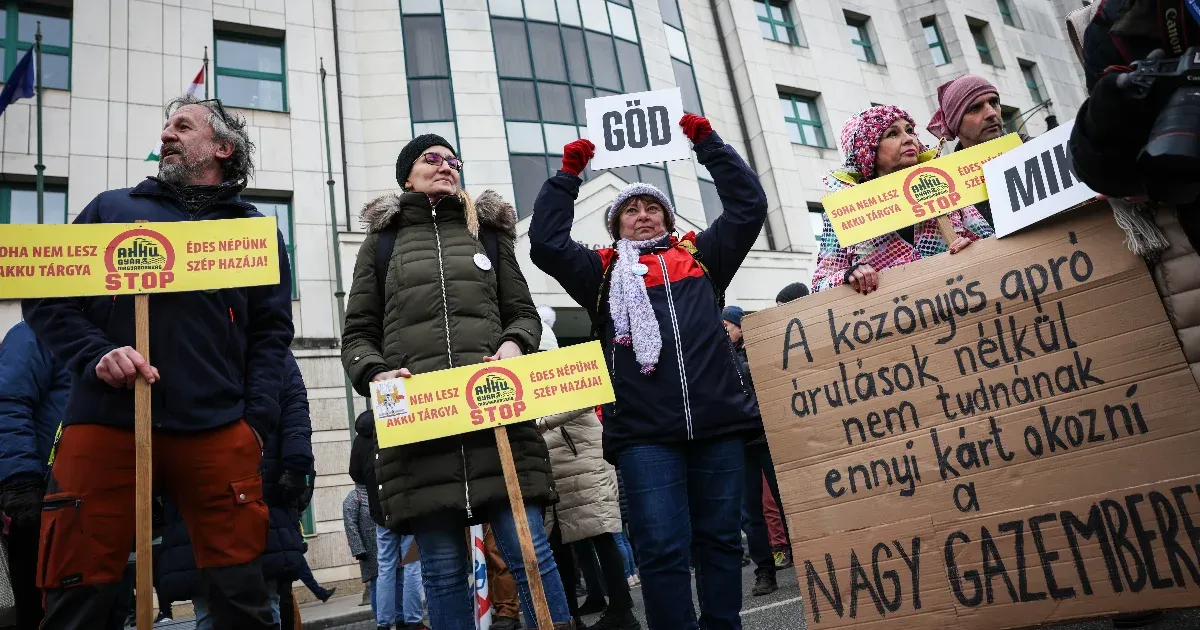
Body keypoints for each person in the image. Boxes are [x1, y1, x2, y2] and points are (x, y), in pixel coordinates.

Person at [21, 95, 292, 627]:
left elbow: (271, 334)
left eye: (182, 125)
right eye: (166, 125)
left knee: (240, 594)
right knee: (80, 589)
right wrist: (96, 353)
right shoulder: (111, 209)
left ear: (222, 147)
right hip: (106, 419)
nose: (166, 133)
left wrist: (254, 424)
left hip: (217, 428)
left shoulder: (253, 233)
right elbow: (45, 297)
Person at [529, 114, 768, 630]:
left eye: (652, 207)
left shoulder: (703, 258)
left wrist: (709, 145)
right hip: (644, 438)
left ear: (667, 217)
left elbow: (749, 207)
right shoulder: (600, 273)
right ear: (615, 225)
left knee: (721, 543)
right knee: (661, 549)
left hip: (720, 425)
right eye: (630, 210)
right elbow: (546, 243)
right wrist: (568, 175)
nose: (643, 215)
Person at [341, 135, 570, 629]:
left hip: (499, 423)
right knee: (443, 573)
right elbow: (358, 334)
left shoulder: (488, 235)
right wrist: (377, 372)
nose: (446, 167)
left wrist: (513, 345)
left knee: (533, 557)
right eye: (432, 159)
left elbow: (524, 315)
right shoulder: (382, 244)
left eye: (453, 161)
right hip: (422, 434)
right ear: (408, 175)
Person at [158, 351, 314, 628]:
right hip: (212, 481)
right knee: (215, 599)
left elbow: (293, 407)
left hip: (249, 481)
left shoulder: (261, 343)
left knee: (253, 598)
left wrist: (296, 465)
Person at [811, 105, 992, 295]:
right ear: (868, 152)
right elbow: (818, 287)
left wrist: (974, 248)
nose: (909, 139)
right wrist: (849, 275)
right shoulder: (844, 213)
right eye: (892, 134)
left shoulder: (944, 185)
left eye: (910, 130)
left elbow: (994, 243)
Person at [535, 309, 640, 630]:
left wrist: (536, 421)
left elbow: (582, 400)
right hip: (564, 465)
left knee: (599, 534)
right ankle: (587, 603)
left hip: (582, 462)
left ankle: (622, 610)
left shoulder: (567, 370)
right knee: (567, 541)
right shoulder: (537, 376)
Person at [0, 321, 69, 629]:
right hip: (41, 498)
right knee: (42, 611)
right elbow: (9, 404)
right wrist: (21, 482)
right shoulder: (36, 333)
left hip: (84, 496)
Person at [720, 306, 790, 598]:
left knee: (787, 501)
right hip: (741, 442)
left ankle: (808, 554)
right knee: (751, 512)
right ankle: (765, 570)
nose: (722, 330)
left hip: (769, 435)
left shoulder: (755, 351)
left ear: (742, 327)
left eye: (727, 325)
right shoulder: (719, 355)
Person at [349, 408, 427, 630]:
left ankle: (384, 623)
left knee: (385, 567)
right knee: (412, 564)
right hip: (407, 510)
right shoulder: (399, 425)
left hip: (381, 512)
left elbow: (355, 473)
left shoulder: (360, 439)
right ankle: (412, 620)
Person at [927, 73, 1028, 227]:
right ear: (955, 122)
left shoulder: (1032, 149)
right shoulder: (946, 185)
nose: (991, 113)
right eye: (975, 108)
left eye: (994, 102)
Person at [344, 485, 379, 611]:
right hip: (368, 552)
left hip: (386, 548)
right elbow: (350, 525)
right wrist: (358, 549)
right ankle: (381, 620)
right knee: (375, 583)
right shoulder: (354, 497)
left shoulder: (378, 491)